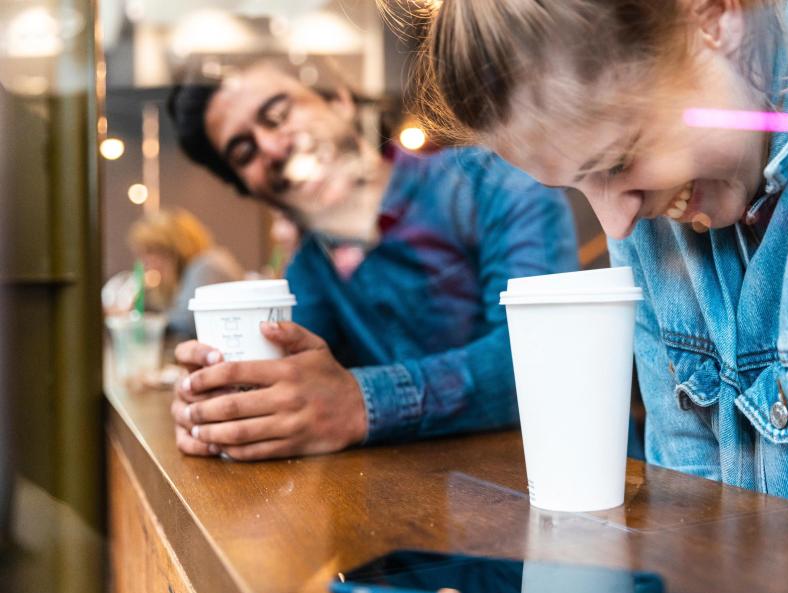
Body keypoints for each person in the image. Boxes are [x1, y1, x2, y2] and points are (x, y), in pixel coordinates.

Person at [400, 0, 788, 541]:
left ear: (716, 14)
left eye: (619, 161)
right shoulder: (644, 189)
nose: (615, 223)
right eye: (576, 184)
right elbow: (690, 524)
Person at [166, 63, 578, 460]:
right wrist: (218, 408)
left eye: (278, 114)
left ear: (339, 100)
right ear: (248, 187)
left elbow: (546, 359)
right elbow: (292, 390)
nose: (273, 148)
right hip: (424, 509)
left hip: (581, 485)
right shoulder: (310, 271)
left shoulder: (492, 183)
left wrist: (361, 403)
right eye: (244, 152)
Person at [126, 208, 244, 337]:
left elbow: (184, 324)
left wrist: (146, 318)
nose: (145, 262)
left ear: (174, 249)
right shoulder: (195, 268)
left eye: (151, 251)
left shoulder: (206, 266)